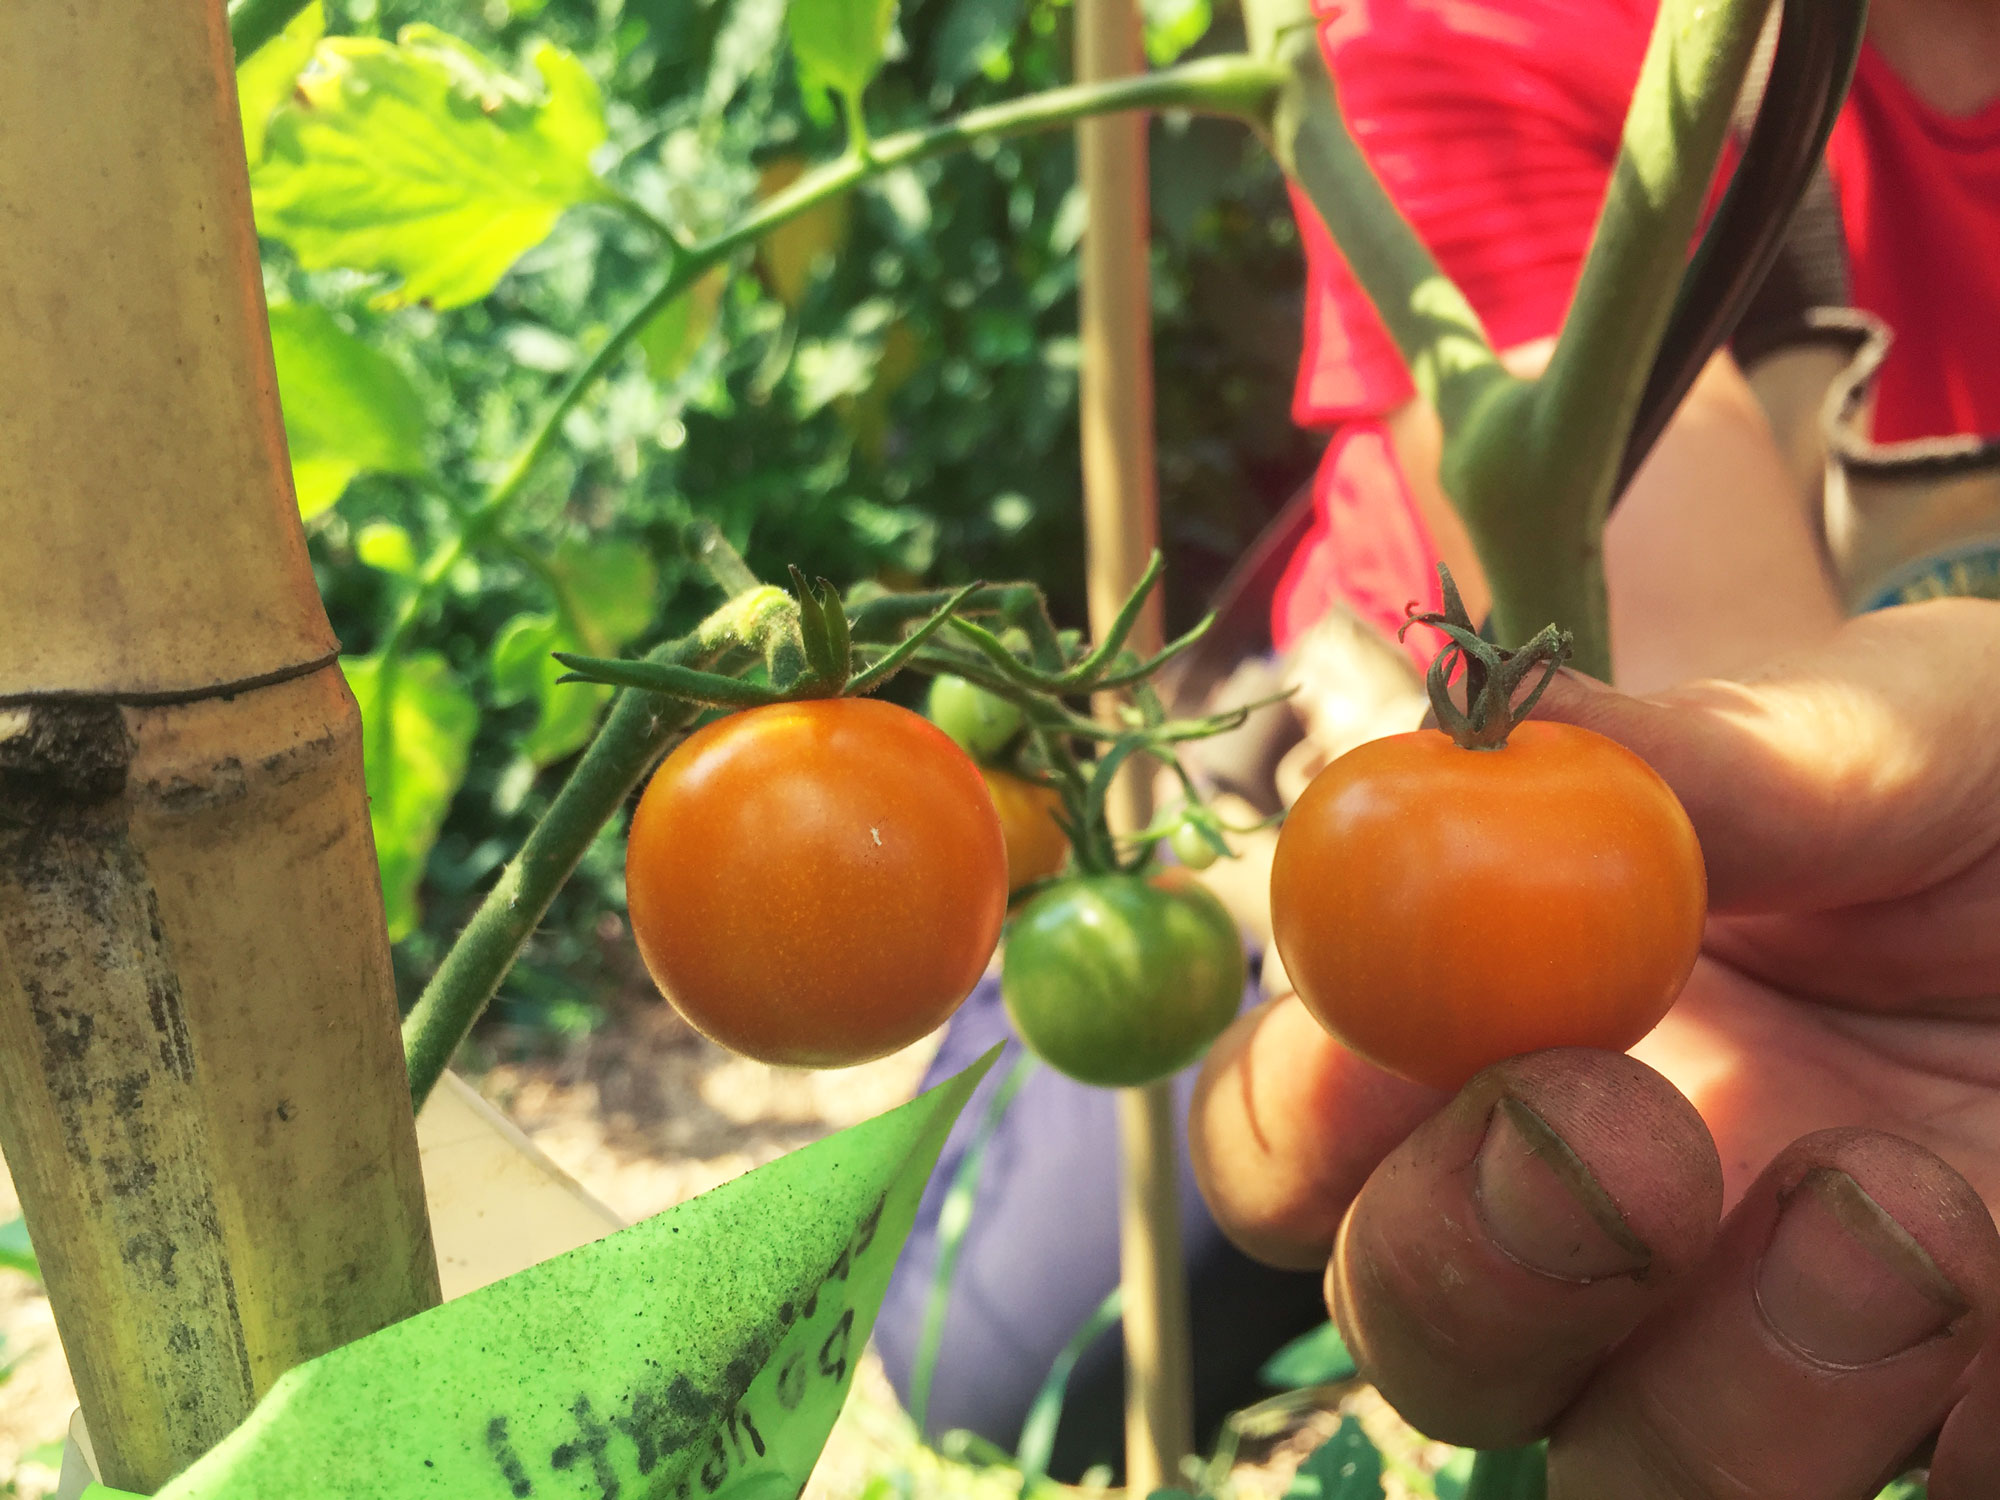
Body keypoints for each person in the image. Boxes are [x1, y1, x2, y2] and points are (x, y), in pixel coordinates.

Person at [880, 0, 2000, 1482]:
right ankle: (1223, 901)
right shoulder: (1500, 21)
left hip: (1746, 899)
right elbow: (1715, 721)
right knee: (996, 1350)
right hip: (1385, 766)